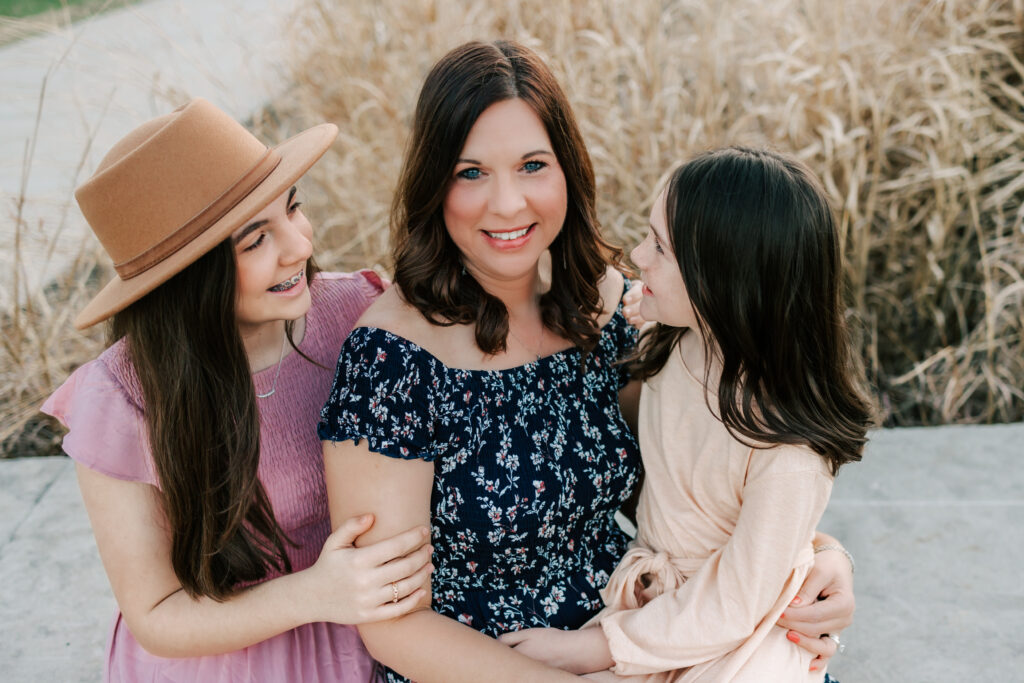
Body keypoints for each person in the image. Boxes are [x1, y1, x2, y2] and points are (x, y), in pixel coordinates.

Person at [318, 41, 857, 683]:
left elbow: (694, 476)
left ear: (567, 170)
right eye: (470, 173)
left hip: (651, 634)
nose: (508, 203)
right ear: (434, 183)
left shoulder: (600, 303)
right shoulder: (391, 363)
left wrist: (817, 557)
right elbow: (391, 625)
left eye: (532, 165)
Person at [41, 98, 432, 682]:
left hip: (368, 640)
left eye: (293, 209)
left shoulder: (357, 313)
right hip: (223, 661)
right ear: (188, 280)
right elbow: (154, 613)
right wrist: (314, 594)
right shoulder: (124, 399)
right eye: (255, 241)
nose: (299, 246)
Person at [499, 147, 873, 681]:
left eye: (661, 248)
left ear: (727, 281)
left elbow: (737, 599)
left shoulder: (789, 450)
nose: (639, 255)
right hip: (656, 612)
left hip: (738, 642)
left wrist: (594, 649)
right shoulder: (672, 343)